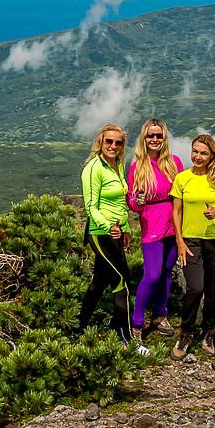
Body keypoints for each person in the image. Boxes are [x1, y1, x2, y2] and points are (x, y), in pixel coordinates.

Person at [79, 122, 148, 355]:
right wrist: (108, 227)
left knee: (98, 283)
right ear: (101, 142)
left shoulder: (117, 166)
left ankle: (79, 327)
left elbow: (119, 203)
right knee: (122, 283)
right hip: (100, 234)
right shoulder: (93, 168)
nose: (114, 146)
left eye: (118, 142)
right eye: (109, 141)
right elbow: (91, 206)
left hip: (116, 233)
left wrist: (126, 228)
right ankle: (126, 339)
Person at [170, 134, 215, 360]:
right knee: (194, 288)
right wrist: (179, 241)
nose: (198, 156)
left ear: (212, 155)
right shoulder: (182, 178)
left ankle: (208, 332)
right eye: (195, 151)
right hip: (191, 241)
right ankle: (186, 333)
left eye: (203, 153)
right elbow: (176, 212)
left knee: (212, 291)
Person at [127, 118, 184, 342]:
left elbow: (182, 194)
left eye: (158, 135)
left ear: (164, 138)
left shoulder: (174, 163)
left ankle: (160, 315)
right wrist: (138, 202)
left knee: (167, 271)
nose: (154, 139)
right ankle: (137, 324)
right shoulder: (137, 167)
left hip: (174, 224)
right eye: (150, 135)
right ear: (144, 138)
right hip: (152, 224)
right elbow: (132, 203)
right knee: (152, 275)